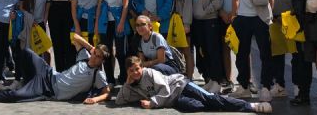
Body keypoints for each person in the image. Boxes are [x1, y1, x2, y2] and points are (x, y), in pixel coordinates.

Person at [0, 32, 111, 104]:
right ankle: (25, 80)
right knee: (26, 52)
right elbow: (74, 37)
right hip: (49, 73)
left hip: (49, 89)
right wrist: (91, 47)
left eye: (99, 57)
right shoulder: (84, 57)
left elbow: (107, 92)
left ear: (102, 61)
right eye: (95, 54)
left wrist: (95, 100)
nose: (95, 57)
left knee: (17, 96)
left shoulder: (97, 74)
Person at [115, 57, 272, 113]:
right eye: (131, 71)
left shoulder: (149, 73)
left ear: (141, 67)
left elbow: (166, 88)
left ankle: (251, 106)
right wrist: (127, 84)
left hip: (181, 85)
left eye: (137, 69)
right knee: (195, 107)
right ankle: (218, 102)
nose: (135, 72)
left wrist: (152, 102)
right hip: (175, 100)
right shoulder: (132, 84)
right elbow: (120, 101)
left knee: (211, 99)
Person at [230, 0, 275, 102]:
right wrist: (234, 16)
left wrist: (268, 15)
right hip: (243, 17)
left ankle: (266, 87)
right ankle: (244, 87)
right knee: (241, 54)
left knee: (265, 53)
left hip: (260, 17)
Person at [269, 0, 301, 98]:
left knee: (296, 54)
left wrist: (288, 15)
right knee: (277, 55)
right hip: (274, 19)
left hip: (290, 19)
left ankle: (297, 84)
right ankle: (280, 85)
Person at [190, 0, 224, 94]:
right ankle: (210, 79)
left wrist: (207, 10)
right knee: (203, 52)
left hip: (210, 21)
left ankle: (218, 81)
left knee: (213, 51)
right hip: (197, 22)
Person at [96, 0, 130, 85]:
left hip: (118, 21)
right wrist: (96, 25)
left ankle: (123, 76)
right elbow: (99, 6)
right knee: (106, 51)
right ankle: (110, 79)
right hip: (105, 22)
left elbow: (125, 5)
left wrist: (121, 22)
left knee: (121, 52)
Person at [163, 0, 193, 79]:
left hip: (182, 20)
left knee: (187, 50)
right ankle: (180, 76)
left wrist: (187, 23)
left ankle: (189, 77)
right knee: (175, 50)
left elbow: (188, 5)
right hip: (171, 21)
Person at [213, 0, 237, 92]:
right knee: (224, 49)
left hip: (237, 16)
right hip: (221, 16)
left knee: (241, 50)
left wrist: (234, 13)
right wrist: (222, 12)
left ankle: (246, 80)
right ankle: (228, 80)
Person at [46, 0, 76, 72]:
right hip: (54, 11)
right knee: (57, 43)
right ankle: (59, 71)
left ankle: (70, 71)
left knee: (68, 42)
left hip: (68, 9)